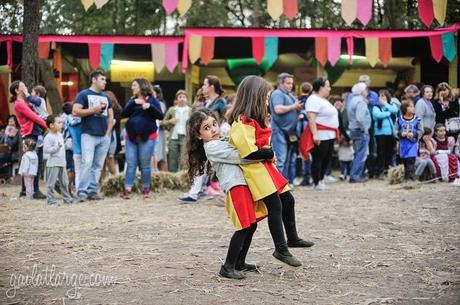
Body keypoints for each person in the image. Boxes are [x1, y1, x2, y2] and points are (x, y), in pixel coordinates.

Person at [229, 75, 314, 268]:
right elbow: (249, 152)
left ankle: (292, 238)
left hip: (265, 167)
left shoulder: (255, 120)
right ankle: (281, 248)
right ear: (254, 97)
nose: (267, 100)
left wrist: (268, 153)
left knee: (288, 199)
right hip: (255, 169)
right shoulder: (243, 121)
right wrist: (270, 152)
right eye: (265, 97)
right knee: (275, 205)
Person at [185, 108, 268, 279]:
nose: (214, 129)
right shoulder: (213, 147)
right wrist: (263, 154)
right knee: (244, 226)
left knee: (251, 225)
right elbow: (242, 156)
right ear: (199, 136)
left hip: (243, 184)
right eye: (207, 128)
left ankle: (239, 262)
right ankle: (228, 266)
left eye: (214, 124)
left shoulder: (221, 140)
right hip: (236, 187)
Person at [72, 69, 113, 201]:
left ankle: (92, 191)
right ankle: (82, 192)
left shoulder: (107, 97)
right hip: (88, 134)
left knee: (98, 165)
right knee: (87, 163)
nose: (105, 82)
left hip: (104, 136)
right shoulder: (83, 94)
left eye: (105, 80)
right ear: (94, 80)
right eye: (102, 79)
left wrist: (108, 133)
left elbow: (110, 116)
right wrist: (93, 110)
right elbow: (75, 111)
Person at [120, 78, 164, 199]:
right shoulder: (132, 101)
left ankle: (146, 188)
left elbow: (160, 116)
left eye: (134, 85)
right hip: (131, 137)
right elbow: (123, 114)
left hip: (148, 137)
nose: (132, 87)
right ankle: (127, 189)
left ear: (141, 86)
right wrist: (134, 103)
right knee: (131, 163)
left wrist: (149, 106)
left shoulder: (153, 100)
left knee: (145, 164)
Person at [10, 81, 47, 199]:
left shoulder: (24, 102)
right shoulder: (19, 104)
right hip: (29, 134)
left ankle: (31, 190)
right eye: (22, 86)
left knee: (36, 162)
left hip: (34, 133)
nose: (25, 87)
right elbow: (34, 117)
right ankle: (28, 191)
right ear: (17, 90)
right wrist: (47, 126)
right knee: (30, 163)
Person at [302, 78, 339, 190]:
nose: (329, 88)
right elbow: (311, 117)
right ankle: (316, 181)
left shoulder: (324, 100)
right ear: (321, 88)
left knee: (327, 158)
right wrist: (315, 134)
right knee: (318, 158)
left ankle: (321, 179)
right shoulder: (313, 99)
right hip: (320, 133)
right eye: (327, 86)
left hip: (330, 134)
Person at [269, 73, 302, 185]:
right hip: (280, 131)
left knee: (287, 160)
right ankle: (278, 186)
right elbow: (278, 109)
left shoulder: (288, 94)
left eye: (292, 83)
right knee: (281, 161)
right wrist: (294, 106)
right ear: (280, 83)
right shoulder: (278, 93)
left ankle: (284, 184)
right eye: (288, 83)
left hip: (288, 132)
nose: (290, 85)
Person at [43, 115, 76, 206]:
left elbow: (61, 147)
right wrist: (56, 147)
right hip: (53, 163)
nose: (61, 124)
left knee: (64, 183)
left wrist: (67, 145)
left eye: (61, 122)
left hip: (62, 163)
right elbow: (46, 150)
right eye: (59, 122)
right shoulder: (48, 137)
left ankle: (67, 199)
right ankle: (51, 200)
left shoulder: (60, 135)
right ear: (51, 125)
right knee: (51, 183)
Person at [347, 83, 372, 183]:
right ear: (362, 91)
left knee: (357, 153)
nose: (367, 91)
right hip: (360, 130)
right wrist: (364, 129)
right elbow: (360, 118)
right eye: (366, 89)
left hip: (354, 130)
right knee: (361, 154)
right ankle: (355, 176)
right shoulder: (360, 102)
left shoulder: (352, 100)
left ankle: (354, 174)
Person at [161, 90, 191, 172]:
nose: (182, 99)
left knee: (183, 160)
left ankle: (183, 178)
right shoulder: (172, 110)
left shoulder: (190, 110)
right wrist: (170, 121)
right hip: (173, 137)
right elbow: (162, 122)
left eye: (184, 97)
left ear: (186, 99)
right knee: (172, 160)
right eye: (180, 97)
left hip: (185, 137)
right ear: (176, 99)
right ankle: (173, 178)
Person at [394, 101, 423, 182]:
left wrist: (414, 134)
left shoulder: (417, 119)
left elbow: (421, 130)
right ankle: (405, 177)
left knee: (411, 160)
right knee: (404, 161)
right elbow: (395, 130)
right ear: (405, 109)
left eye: (413, 106)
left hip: (412, 143)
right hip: (403, 144)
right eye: (410, 106)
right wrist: (400, 134)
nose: (413, 108)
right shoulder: (399, 119)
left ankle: (409, 178)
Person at [372, 90, 399, 177]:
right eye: (380, 96)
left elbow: (395, 110)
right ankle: (379, 172)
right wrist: (388, 113)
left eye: (384, 96)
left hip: (391, 134)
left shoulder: (391, 105)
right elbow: (378, 115)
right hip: (380, 134)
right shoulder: (376, 107)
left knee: (389, 153)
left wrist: (386, 105)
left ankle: (388, 171)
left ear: (388, 97)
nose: (382, 98)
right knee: (381, 153)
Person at [101, 91, 122, 180]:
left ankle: (113, 180)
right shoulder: (118, 109)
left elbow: (113, 123)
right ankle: (104, 181)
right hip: (112, 135)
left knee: (108, 159)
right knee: (105, 160)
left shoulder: (115, 110)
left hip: (111, 135)